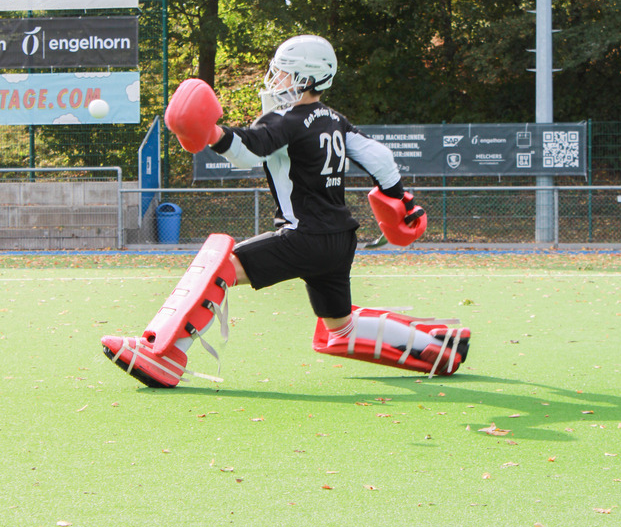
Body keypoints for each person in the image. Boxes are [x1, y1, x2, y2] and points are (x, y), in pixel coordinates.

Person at [101, 35, 470, 387]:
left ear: (305, 78)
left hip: (304, 236)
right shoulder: (334, 120)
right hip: (340, 240)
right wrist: (398, 199)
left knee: (220, 267)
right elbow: (380, 158)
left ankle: (163, 354)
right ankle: (436, 347)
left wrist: (213, 134)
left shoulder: (286, 119)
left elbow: (249, 152)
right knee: (341, 327)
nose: (275, 79)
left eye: (283, 72)